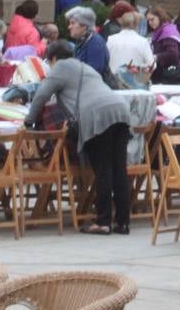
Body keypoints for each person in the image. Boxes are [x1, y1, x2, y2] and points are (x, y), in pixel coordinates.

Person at [26, 41, 133, 234]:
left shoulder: (60, 67)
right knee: (119, 169)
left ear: (53, 58)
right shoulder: (86, 67)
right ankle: (123, 222)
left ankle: (103, 222)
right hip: (121, 110)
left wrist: (28, 121)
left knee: (103, 170)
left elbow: (41, 95)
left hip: (96, 116)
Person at [106, 10, 154, 78]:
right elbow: (151, 65)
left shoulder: (111, 39)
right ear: (137, 24)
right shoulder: (143, 41)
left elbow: (105, 61)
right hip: (134, 83)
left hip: (113, 81)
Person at [66, 6, 109, 75]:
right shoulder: (83, 40)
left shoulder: (95, 43)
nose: (69, 27)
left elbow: (93, 74)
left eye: (73, 23)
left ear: (84, 26)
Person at [146, 7, 180, 83]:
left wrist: (156, 57)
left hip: (168, 74)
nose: (150, 23)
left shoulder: (168, 31)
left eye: (152, 19)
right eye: (148, 20)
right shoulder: (159, 31)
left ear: (160, 17)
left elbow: (173, 53)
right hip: (162, 73)